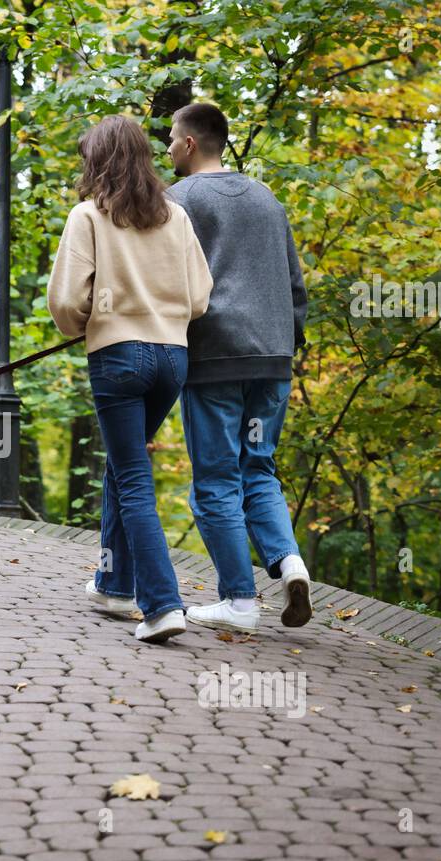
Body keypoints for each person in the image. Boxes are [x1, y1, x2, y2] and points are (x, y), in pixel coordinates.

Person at [47, 114, 213, 644]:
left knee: (133, 480)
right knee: (125, 469)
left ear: (96, 161)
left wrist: (89, 325)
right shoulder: (176, 216)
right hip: (173, 360)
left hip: (119, 358)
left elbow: (67, 300)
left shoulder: (87, 216)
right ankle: (114, 584)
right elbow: (199, 297)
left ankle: (163, 605)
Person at [165, 102, 312, 633]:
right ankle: (289, 562)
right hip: (272, 357)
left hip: (214, 356)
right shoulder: (267, 199)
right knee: (259, 468)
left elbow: (163, 276)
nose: (167, 150)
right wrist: (289, 339)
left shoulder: (177, 200)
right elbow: (294, 284)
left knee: (215, 481)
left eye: (171, 140)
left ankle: (239, 601)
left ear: (188, 144)